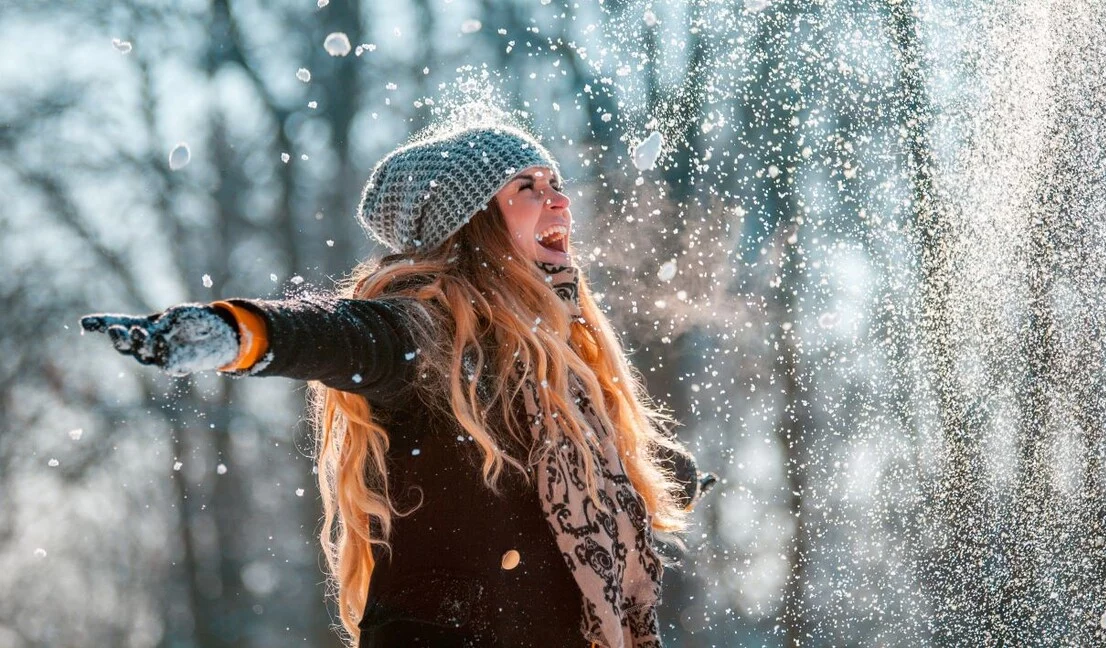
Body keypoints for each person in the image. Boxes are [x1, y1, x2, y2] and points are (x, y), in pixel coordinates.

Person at [80, 119, 717, 648]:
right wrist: (234, 334)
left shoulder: (557, 357)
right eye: (527, 186)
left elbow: (561, 466)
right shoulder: (429, 328)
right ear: (474, 220)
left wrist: (655, 477)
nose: (559, 199)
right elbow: (338, 335)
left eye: (556, 182)